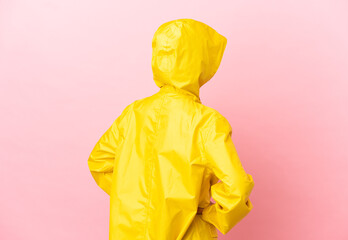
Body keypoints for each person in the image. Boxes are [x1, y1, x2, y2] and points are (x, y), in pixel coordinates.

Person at [88, 18, 254, 240]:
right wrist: (212, 215)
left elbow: (99, 163)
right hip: (188, 233)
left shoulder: (133, 113)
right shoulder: (206, 123)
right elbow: (237, 189)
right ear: (200, 62)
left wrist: (130, 196)